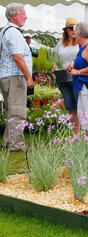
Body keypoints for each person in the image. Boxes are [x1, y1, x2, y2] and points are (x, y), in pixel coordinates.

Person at [0, 3, 34, 152]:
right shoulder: (13, 32)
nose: (26, 16)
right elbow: (18, 57)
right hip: (15, 77)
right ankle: (17, 145)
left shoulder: (6, 31)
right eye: (23, 13)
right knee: (18, 111)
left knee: (12, 111)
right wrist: (29, 77)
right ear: (15, 16)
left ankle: (8, 142)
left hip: (8, 75)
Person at [53, 17, 80, 136]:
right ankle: (75, 133)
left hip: (75, 78)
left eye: (75, 28)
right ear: (66, 30)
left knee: (78, 106)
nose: (73, 30)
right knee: (70, 106)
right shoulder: (60, 44)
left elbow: (85, 57)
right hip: (62, 78)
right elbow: (55, 58)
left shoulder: (80, 43)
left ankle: (80, 132)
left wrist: (75, 64)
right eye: (70, 28)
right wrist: (54, 66)